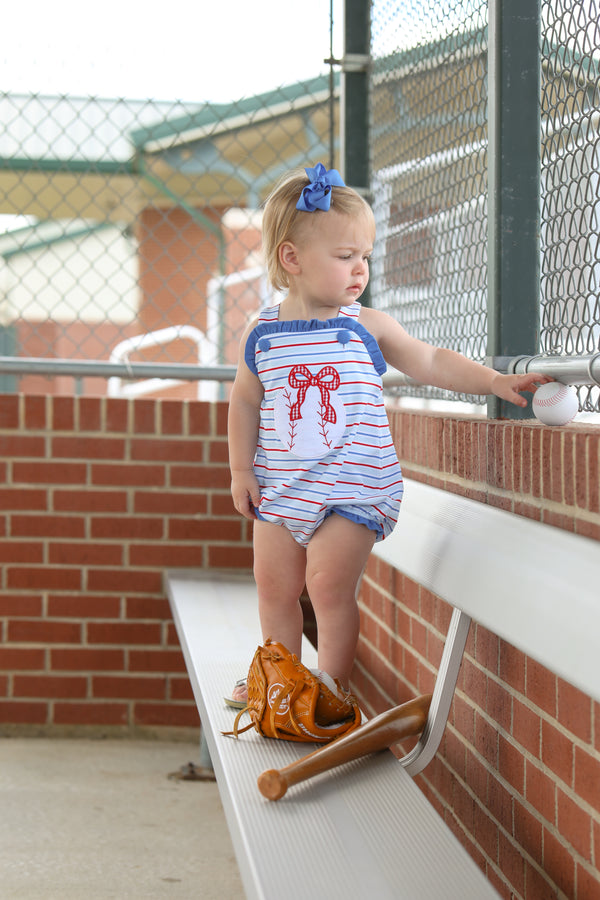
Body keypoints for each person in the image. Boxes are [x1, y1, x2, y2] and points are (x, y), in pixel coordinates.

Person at [227, 162, 548, 709]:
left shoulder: (365, 326)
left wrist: (493, 380)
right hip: (281, 489)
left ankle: (328, 688)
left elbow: (429, 360)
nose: (361, 270)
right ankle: (280, 681)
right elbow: (246, 400)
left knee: (328, 586)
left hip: (354, 487)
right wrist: (239, 470)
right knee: (274, 587)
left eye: (366, 257)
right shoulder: (262, 334)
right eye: (345, 256)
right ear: (291, 258)